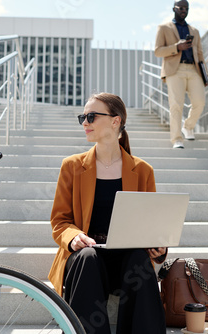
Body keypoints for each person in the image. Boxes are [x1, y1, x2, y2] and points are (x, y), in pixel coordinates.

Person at [48, 92, 167, 334]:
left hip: (125, 261)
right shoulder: (72, 166)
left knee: (139, 258)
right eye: (83, 117)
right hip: (87, 260)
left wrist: (159, 247)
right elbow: (60, 221)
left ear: (115, 121)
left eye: (91, 116)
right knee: (88, 257)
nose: (85, 122)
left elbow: (150, 222)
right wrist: (73, 237)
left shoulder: (142, 170)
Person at [155, 0, 208, 149]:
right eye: (180, 8)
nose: (183, 10)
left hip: (194, 70)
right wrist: (177, 47)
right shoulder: (164, 28)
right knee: (176, 105)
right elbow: (158, 51)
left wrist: (205, 75)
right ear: (174, 9)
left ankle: (188, 126)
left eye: (186, 8)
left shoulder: (194, 30)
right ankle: (177, 139)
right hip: (174, 70)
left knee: (200, 102)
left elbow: (200, 54)